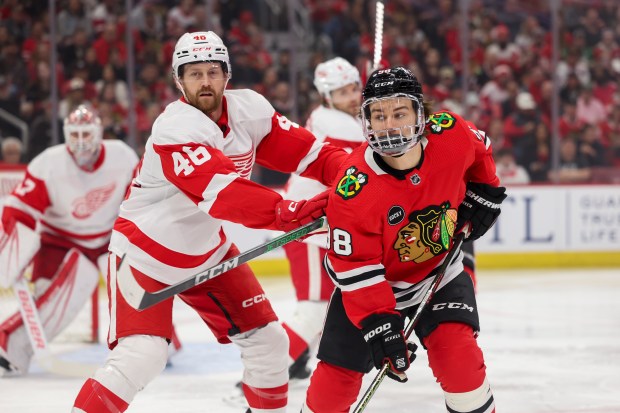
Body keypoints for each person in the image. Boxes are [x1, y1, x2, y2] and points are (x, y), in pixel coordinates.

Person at [71, 31, 347, 413]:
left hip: (208, 251)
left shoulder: (250, 110)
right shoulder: (175, 128)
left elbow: (310, 152)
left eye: (213, 71)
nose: (205, 81)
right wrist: (292, 213)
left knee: (269, 342)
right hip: (145, 256)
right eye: (194, 73)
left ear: (227, 74)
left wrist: (356, 177)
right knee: (142, 355)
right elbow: (223, 195)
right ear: (178, 80)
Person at [302, 67, 506, 413]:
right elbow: (354, 267)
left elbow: (480, 150)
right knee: (333, 387)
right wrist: (380, 323)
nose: (389, 124)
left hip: (440, 275)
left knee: (460, 365)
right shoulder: (353, 189)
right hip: (370, 289)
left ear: (420, 114)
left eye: (399, 113)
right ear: (365, 121)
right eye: (378, 115)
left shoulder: (450, 133)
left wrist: (485, 188)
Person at [0, 105, 139, 375]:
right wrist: (12, 245)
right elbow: (19, 208)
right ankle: (10, 348)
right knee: (51, 305)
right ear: (65, 134)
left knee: (136, 291)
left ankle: (155, 342)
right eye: (74, 134)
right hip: (58, 243)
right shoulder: (48, 163)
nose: (80, 140)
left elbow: (138, 201)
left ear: (98, 132)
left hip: (108, 242)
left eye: (86, 132)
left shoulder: (122, 156)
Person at [280, 56, 364, 379]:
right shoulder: (336, 124)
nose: (352, 97)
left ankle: (298, 357)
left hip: (317, 224)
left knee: (328, 303)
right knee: (316, 306)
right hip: (309, 225)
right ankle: (264, 374)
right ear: (327, 97)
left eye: (354, 89)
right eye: (342, 93)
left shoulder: (332, 118)